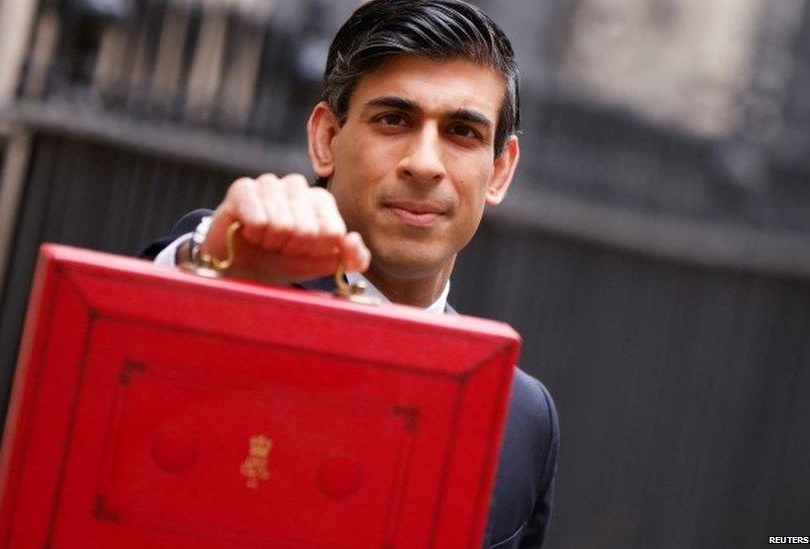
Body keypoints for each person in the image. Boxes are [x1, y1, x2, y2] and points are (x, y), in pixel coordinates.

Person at [140, 1, 559, 547]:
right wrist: (215, 277)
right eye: (394, 120)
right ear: (326, 139)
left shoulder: (525, 418)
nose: (425, 163)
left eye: (462, 131)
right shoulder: (228, 269)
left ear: (500, 170)